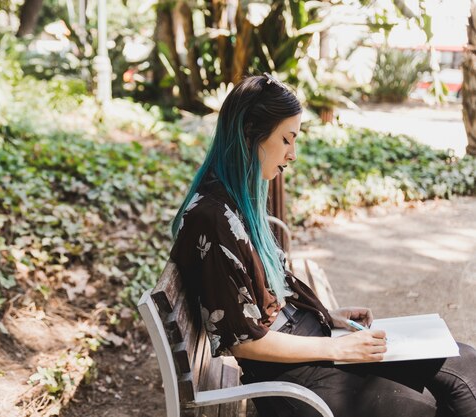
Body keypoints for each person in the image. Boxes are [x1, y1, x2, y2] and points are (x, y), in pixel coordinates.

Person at [169, 73, 476, 417]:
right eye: (287, 139)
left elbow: (263, 302)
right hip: (296, 379)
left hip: (310, 351)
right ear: (250, 134)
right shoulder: (212, 218)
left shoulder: (231, 201)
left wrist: (327, 316)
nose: (293, 154)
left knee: (466, 364)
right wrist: (341, 349)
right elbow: (246, 342)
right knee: (440, 401)